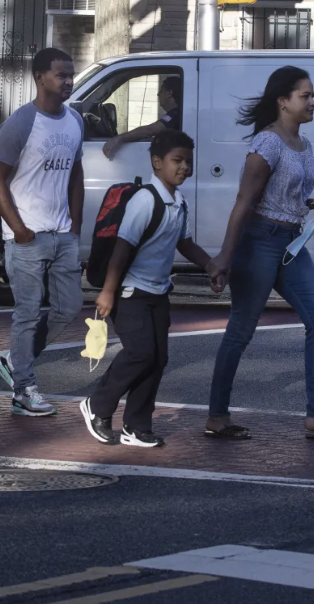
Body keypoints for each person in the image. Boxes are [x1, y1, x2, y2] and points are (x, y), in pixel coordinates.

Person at [204, 66, 314, 441]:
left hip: (292, 242)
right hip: (258, 241)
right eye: (305, 96)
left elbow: (286, 195)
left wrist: (313, 202)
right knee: (241, 331)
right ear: (283, 101)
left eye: (312, 95)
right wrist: (225, 257)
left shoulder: (304, 145)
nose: (313, 102)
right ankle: (216, 416)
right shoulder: (267, 144)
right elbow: (245, 200)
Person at [81, 130, 219, 448]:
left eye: (188, 161)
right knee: (140, 353)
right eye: (177, 160)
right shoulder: (146, 200)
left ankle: (136, 426)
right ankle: (97, 405)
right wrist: (108, 292)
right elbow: (122, 248)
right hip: (130, 292)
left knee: (157, 359)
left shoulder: (178, 202)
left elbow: (184, 242)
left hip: (157, 293)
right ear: (157, 163)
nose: (184, 167)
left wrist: (211, 266)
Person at [0, 48, 85, 417]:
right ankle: (23, 390)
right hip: (27, 236)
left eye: (71, 75)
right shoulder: (21, 122)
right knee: (26, 315)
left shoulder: (75, 120)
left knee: (69, 307)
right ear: (40, 77)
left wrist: (75, 227)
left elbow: (76, 176)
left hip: (62, 235)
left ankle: (15, 361)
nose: (68, 82)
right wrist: (18, 228)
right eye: (61, 75)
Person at [102, 75, 183, 159]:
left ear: (169, 93)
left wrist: (118, 138)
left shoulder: (175, 115)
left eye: (161, 91)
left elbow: (149, 130)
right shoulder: (176, 113)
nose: (158, 94)